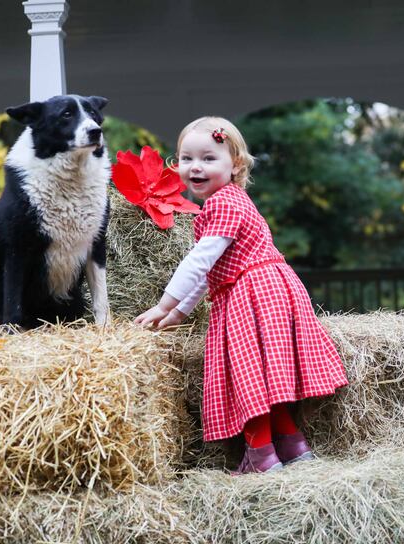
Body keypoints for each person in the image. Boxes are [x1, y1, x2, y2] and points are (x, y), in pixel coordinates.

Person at [135, 117, 348, 474]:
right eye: (186, 159)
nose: (195, 167)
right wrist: (180, 314)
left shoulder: (223, 204)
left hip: (249, 295)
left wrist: (164, 303)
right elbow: (210, 271)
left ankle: (261, 455)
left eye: (208, 158)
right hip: (272, 290)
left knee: (244, 374)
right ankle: (293, 445)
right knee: (265, 374)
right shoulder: (234, 202)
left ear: (235, 164)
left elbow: (199, 261)